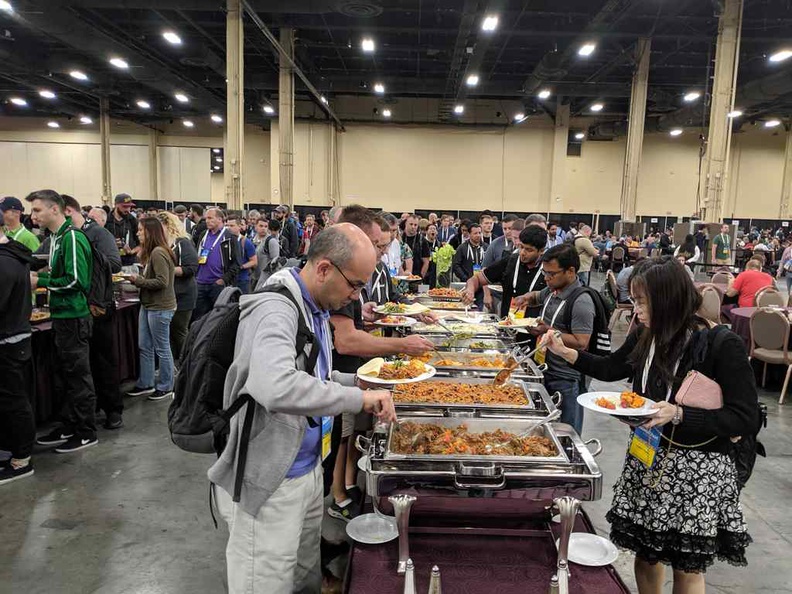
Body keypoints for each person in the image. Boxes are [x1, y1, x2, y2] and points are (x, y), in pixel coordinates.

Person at [541, 257, 757, 594]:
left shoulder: (720, 344)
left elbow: (745, 417)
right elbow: (613, 367)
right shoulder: (648, 333)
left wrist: (680, 413)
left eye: (642, 301)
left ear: (668, 299)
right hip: (649, 456)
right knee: (646, 555)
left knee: (687, 567)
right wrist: (566, 352)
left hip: (696, 472)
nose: (635, 309)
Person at [208, 224, 397, 594]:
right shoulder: (275, 309)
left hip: (306, 468)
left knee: (303, 570)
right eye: (355, 285)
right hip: (271, 478)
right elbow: (276, 385)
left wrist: (360, 384)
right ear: (324, 269)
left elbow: (317, 376)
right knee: (265, 580)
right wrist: (357, 399)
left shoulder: (316, 308)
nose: (356, 296)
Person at [327, 206, 433, 522]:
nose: (380, 251)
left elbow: (352, 323)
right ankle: (339, 496)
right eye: (377, 243)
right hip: (342, 370)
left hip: (351, 373)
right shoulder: (338, 279)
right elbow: (344, 340)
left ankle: (346, 488)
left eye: (383, 245)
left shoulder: (353, 277)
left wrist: (367, 312)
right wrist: (402, 344)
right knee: (341, 436)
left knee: (349, 435)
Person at [29, 190, 98, 453]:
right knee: (64, 377)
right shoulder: (56, 238)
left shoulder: (71, 238)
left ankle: (85, 431)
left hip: (74, 318)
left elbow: (76, 280)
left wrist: (41, 282)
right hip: (62, 317)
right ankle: (69, 424)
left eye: (37, 210)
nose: (33, 215)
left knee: (78, 377)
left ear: (55, 210)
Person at [514, 244, 595, 434]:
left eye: (552, 274)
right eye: (544, 273)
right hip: (546, 370)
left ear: (571, 271)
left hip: (567, 378)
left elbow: (582, 342)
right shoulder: (553, 289)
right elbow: (537, 296)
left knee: (565, 431)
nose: (547, 279)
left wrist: (547, 331)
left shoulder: (581, 301)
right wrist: (525, 298)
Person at [62, 195, 124, 430]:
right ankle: (84, 411)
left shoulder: (98, 234)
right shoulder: (62, 237)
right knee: (79, 365)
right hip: (74, 310)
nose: (35, 217)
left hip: (99, 307)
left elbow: (114, 263)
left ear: (67, 211)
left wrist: (83, 261)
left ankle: (113, 409)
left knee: (103, 360)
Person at [126, 217, 177, 401]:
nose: (138, 233)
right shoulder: (152, 252)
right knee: (144, 346)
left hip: (160, 307)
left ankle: (166, 385)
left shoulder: (158, 253)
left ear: (150, 232)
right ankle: (146, 382)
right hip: (149, 305)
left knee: (161, 348)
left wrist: (137, 280)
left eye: (141, 230)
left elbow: (162, 282)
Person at [0, 226, 36, 484]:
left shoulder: (5, 261)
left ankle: (21, 459)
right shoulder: (14, 255)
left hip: (9, 340)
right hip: (16, 335)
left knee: (14, 401)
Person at [463, 225, 547, 318]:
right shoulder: (510, 261)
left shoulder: (549, 269)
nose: (522, 252)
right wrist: (470, 290)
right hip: (507, 326)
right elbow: (477, 279)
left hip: (536, 328)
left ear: (541, 251)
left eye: (529, 250)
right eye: (521, 247)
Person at [156, 211, 198, 362]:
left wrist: (166, 270)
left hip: (183, 294)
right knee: (170, 333)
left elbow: (192, 268)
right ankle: (175, 364)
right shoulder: (164, 244)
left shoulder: (182, 243)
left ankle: (187, 362)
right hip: (170, 294)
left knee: (179, 331)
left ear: (168, 225)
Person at [193, 208, 240, 320]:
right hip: (200, 283)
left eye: (210, 218)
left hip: (217, 284)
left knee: (218, 318)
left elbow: (236, 264)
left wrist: (223, 280)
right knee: (198, 318)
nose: (207, 221)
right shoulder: (203, 235)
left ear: (219, 219)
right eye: (206, 219)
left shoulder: (229, 237)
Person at [453, 222, 485, 306]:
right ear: (469, 234)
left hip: (482, 286)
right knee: (466, 307)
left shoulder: (486, 247)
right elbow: (456, 265)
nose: (478, 235)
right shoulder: (462, 248)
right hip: (467, 285)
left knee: (479, 309)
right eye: (475, 233)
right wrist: (465, 278)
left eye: (479, 233)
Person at [104, 193, 139, 269]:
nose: (127, 210)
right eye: (124, 207)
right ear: (116, 205)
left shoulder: (133, 221)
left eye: (129, 207)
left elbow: (141, 243)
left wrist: (131, 251)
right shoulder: (106, 220)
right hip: (110, 261)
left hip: (129, 262)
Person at [225, 214, 257, 294]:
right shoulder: (225, 241)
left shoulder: (245, 242)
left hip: (242, 280)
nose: (229, 228)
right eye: (227, 225)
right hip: (228, 279)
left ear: (239, 226)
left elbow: (254, 261)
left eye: (232, 225)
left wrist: (241, 266)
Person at [255, 218, 282, 290]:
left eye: (265, 226)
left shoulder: (271, 241)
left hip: (265, 280)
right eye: (261, 226)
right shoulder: (252, 239)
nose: (263, 228)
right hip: (254, 277)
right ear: (255, 227)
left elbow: (275, 263)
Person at [402, 213, 431, 279]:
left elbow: (426, 261)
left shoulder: (422, 240)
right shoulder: (400, 238)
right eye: (411, 224)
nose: (413, 227)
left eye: (415, 225)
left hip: (416, 276)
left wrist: (421, 276)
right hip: (401, 276)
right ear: (406, 223)